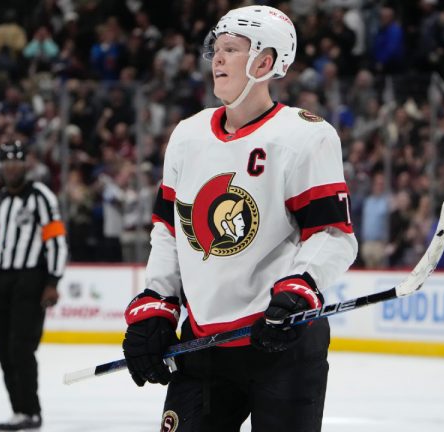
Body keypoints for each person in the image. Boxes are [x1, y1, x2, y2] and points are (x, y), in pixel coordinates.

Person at [121, 6, 357, 432]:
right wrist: (157, 303)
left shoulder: (306, 136)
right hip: (203, 343)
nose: (217, 58)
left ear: (265, 62)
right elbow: (169, 229)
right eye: (217, 49)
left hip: (281, 341)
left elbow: (331, 234)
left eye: (231, 49)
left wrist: (299, 289)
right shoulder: (187, 135)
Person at [0, 139, 67, 431]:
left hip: (30, 280)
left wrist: (52, 281)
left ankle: (31, 411)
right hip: (1, 281)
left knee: (20, 348)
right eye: (7, 161)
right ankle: (18, 410)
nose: (12, 166)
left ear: (26, 165)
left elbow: (56, 242)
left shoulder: (42, 197)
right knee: (1, 348)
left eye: (17, 160)